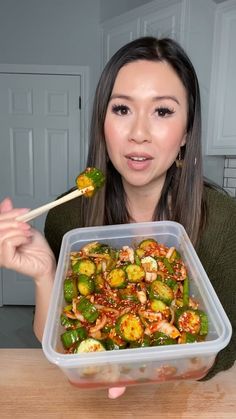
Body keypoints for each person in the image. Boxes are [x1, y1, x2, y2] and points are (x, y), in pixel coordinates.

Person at [0, 37, 235, 399]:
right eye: (122, 109)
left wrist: (143, 366)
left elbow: (223, 352)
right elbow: (63, 343)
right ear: (102, 121)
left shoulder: (224, 221)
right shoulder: (67, 214)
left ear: (187, 130)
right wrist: (46, 273)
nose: (138, 133)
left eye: (163, 111)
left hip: (189, 398)